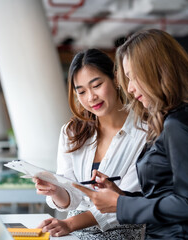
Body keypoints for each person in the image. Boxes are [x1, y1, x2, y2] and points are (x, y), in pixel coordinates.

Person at [74, 29, 188, 239]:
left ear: (158, 71)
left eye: (134, 77)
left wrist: (120, 204)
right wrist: (120, 195)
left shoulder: (177, 124)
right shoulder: (174, 120)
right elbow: (165, 194)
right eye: (127, 79)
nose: (131, 89)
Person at [34, 48, 147, 239]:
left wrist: (70, 224)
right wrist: (55, 190)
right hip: (74, 228)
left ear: (116, 79)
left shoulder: (145, 131)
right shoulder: (72, 132)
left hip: (123, 229)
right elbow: (71, 196)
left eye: (96, 85)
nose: (90, 97)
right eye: (81, 91)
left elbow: (124, 202)